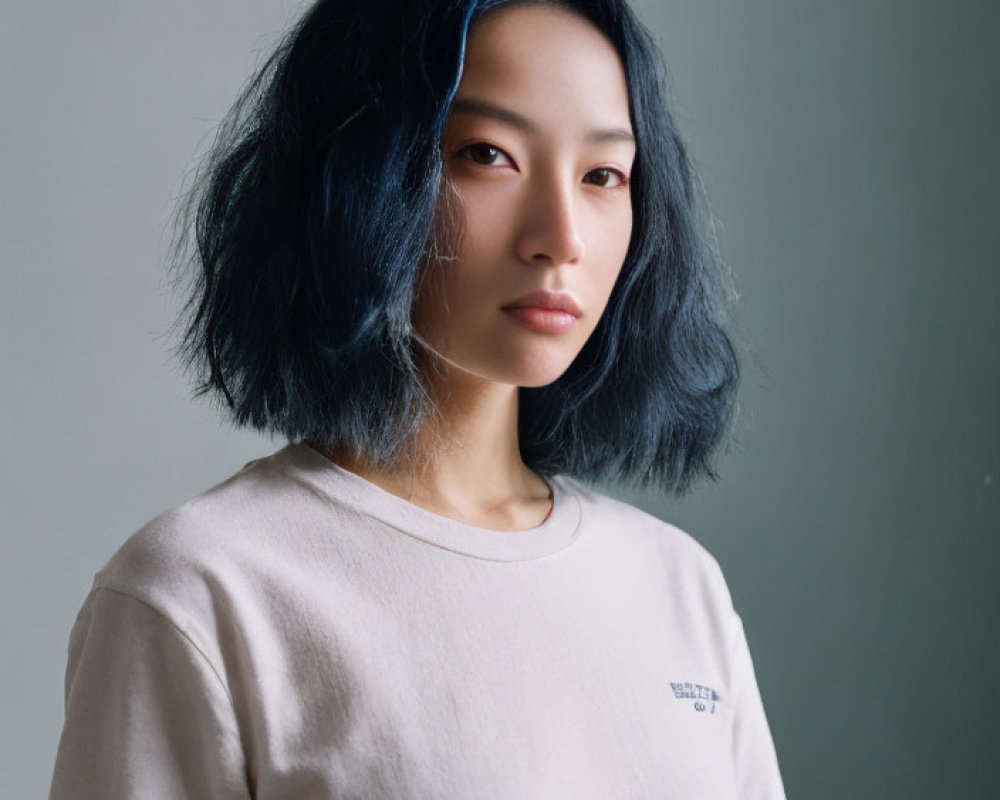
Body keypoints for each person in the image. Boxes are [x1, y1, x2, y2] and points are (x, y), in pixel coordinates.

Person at [48, 0, 786, 797]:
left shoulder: (678, 585)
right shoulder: (202, 593)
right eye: (487, 154)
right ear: (359, 171)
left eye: (603, 174)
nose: (561, 235)